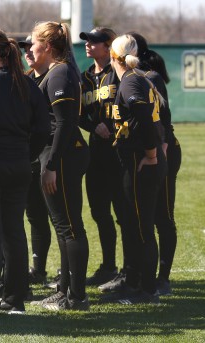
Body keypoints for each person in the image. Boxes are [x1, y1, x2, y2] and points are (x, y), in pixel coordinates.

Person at [0, 28, 50, 315]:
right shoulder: (27, 84)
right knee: (14, 232)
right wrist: (27, 155)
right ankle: (14, 299)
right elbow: (43, 129)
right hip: (20, 164)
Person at [27, 22, 90, 311]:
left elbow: (65, 123)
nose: (29, 48)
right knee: (63, 225)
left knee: (69, 226)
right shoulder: (53, 72)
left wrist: (51, 164)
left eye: (33, 43)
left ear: (47, 47)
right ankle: (65, 289)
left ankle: (76, 297)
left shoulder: (60, 72)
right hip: (54, 154)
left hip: (61, 156)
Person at [104, 34, 166, 304]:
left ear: (113, 56)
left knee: (141, 228)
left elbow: (145, 118)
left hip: (142, 162)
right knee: (136, 225)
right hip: (136, 161)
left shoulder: (130, 82)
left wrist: (151, 154)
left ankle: (147, 290)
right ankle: (137, 284)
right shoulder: (136, 78)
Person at [129, 32, 181, 297]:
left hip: (164, 151)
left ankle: (163, 278)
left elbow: (164, 120)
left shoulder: (149, 77)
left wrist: (161, 150)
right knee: (144, 218)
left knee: (163, 216)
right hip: (149, 152)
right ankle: (135, 275)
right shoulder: (131, 77)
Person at [78, 28, 126, 287]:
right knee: (99, 212)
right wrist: (91, 125)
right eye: (87, 41)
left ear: (109, 46)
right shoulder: (84, 77)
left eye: (95, 41)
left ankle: (129, 270)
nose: (88, 45)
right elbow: (76, 113)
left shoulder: (117, 73)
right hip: (95, 152)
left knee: (123, 212)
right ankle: (108, 266)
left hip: (119, 151)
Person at [18, 35, 54, 287]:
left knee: (55, 216)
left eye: (31, 47)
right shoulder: (27, 79)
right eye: (23, 49)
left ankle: (62, 272)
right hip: (29, 154)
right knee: (34, 214)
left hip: (47, 153)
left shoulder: (55, 76)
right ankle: (36, 269)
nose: (27, 52)